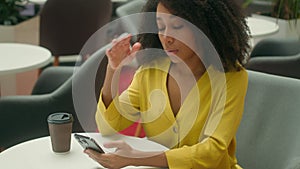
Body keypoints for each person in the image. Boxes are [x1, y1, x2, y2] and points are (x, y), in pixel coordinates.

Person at [84, 0, 251, 168]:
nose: (166, 38)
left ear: (204, 28)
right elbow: (108, 126)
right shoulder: (150, 71)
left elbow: (212, 152)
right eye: (161, 27)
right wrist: (113, 70)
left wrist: (136, 158)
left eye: (177, 26)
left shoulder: (231, 78)